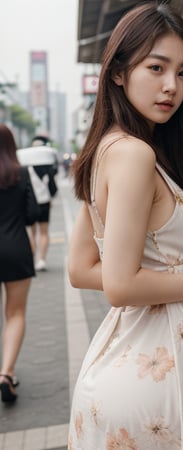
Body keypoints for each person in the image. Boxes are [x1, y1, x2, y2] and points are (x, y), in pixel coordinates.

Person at [68, 2, 183, 448]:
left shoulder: (110, 149)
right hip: (150, 382)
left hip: (128, 362)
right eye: (156, 67)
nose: (171, 86)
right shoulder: (134, 155)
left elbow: (82, 269)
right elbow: (119, 285)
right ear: (119, 72)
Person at [0, 124, 39, 402]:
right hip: (15, 247)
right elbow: (32, 214)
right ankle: (6, 373)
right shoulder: (21, 174)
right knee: (15, 313)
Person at [28, 135, 58, 271]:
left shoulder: (26, 165)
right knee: (44, 232)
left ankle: (32, 260)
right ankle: (42, 260)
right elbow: (53, 188)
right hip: (44, 202)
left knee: (32, 233)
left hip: (30, 203)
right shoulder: (47, 166)